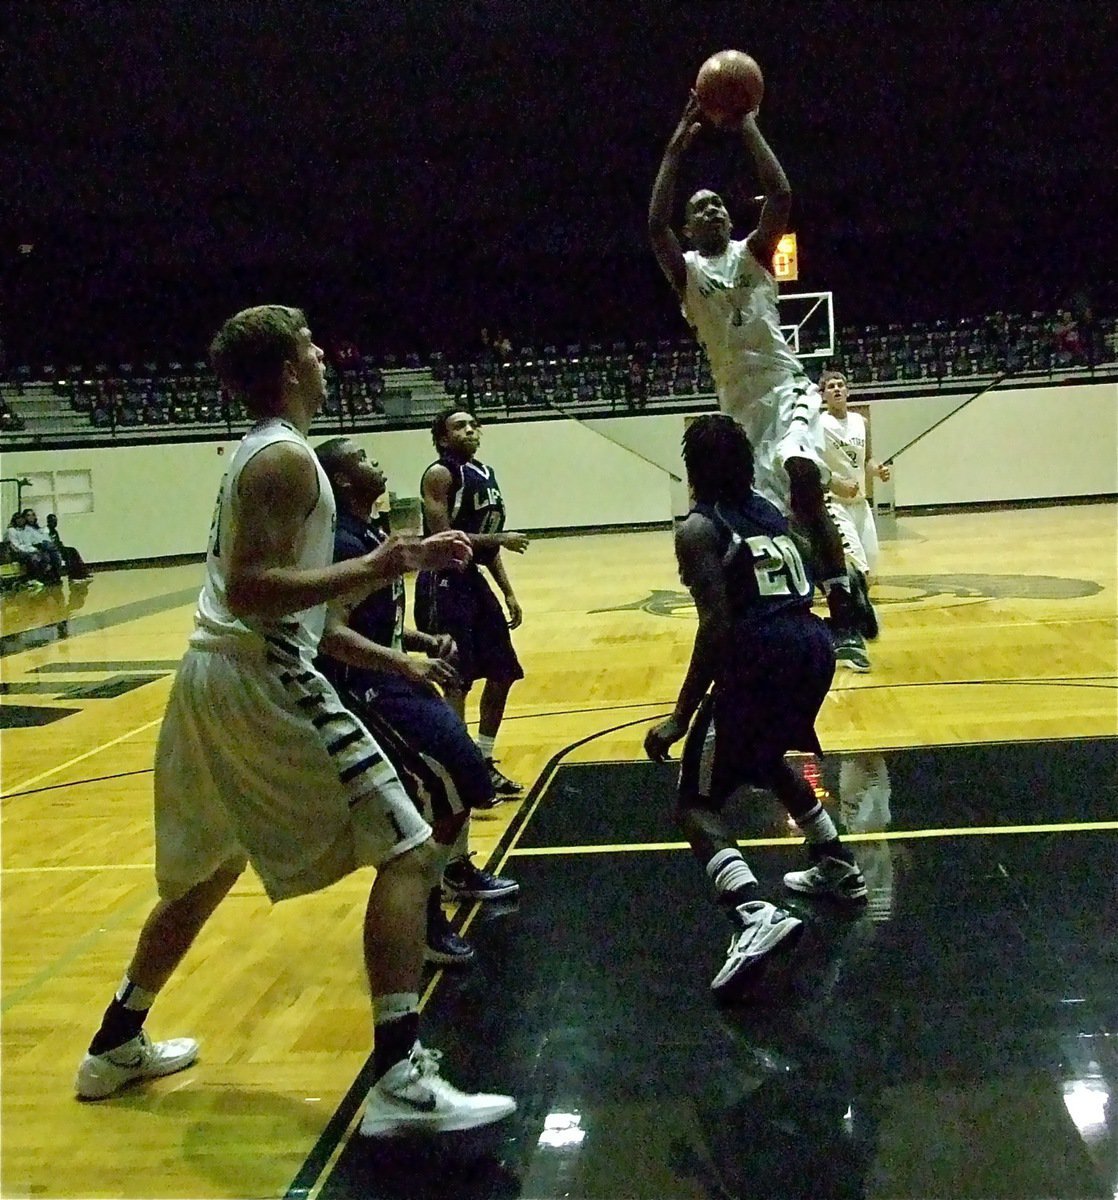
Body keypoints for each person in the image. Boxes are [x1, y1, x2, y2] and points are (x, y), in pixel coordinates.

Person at [73, 306, 516, 1138]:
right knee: (413, 848)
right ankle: (397, 1079)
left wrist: (404, 561)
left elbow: (291, 590)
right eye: (310, 345)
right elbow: (251, 589)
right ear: (286, 369)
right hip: (260, 672)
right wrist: (382, 561)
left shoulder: (271, 453)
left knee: (206, 869)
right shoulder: (284, 457)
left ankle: (114, 1042)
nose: (323, 353)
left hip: (213, 676)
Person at [648, 94, 876, 673]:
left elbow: (781, 196)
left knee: (802, 472)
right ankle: (835, 583)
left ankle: (843, 610)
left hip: (785, 389)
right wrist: (676, 150)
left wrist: (747, 125)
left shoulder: (754, 256)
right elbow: (654, 224)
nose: (714, 213)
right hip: (739, 413)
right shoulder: (688, 274)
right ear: (688, 226)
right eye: (701, 209)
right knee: (775, 522)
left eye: (721, 206)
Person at [644, 415, 866, 999]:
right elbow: (819, 549)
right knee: (765, 756)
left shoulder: (698, 528)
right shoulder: (770, 511)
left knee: (695, 804)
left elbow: (715, 627)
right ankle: (836, 860)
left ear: (692, 471)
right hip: (811, 648)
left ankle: (751, 913)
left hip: (763, 655)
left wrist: (680, 715)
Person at [313, 436, 520, 968]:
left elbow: (374, 619)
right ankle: (424, 917)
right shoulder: (341, 544)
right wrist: (402, 661)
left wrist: (418, 642)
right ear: (342, 481)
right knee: (441, 791)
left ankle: (448, 879)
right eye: (362, 459)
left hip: (391, 676)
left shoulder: (372, 532)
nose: (375, 463)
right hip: (362, 689)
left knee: (459, 784)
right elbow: (330, 633)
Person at [415, 409, 528, 797]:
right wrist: (500, 540)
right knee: (456, 680)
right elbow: (444, 538)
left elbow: (487, 538)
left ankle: (483, 759)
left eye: (473, 424)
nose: (469, 430)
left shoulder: (485, 473)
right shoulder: (440, 474)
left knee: (503, 671)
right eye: (459, 426)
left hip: (473, 583)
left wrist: (507, 590)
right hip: (442, 583)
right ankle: (459, 771)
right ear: (444, 439)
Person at [818, 370, 889, 597]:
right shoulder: (819, 424)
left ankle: (855, 609)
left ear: (847, 391)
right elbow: (812, 464)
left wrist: (878, 471)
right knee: (859, 569)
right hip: (836, 504)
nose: (837, 389)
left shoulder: (861, 422)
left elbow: (866, 460)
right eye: (831, 386)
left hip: (861, 504)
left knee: (871, 567)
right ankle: (852, 618)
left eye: (840, 385)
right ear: (823, 395)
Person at [5, 510, 61, 586]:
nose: (20, 521)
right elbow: (16, 546)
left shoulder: (27, 529)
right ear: (14, 520)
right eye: (18, 519)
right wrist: (32, 549)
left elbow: (31, 541)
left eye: (22, 519)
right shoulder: (12, 530)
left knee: (46, 555)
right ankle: (35, 578)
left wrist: (35, 548)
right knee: (35, 556)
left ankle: (49, 577)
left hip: (29, 549)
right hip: (17, 552)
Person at [44, 511, 92, 581]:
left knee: (73, 550)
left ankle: (82, 572)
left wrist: (60, 544)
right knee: (68, 554)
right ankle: (73, 575)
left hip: (58, 548)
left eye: (55, 521)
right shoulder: (46, 531)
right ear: (48, 521)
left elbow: (57, 541)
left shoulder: (55, 531)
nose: (54, 523)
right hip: (52, 551)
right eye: (52, 521)